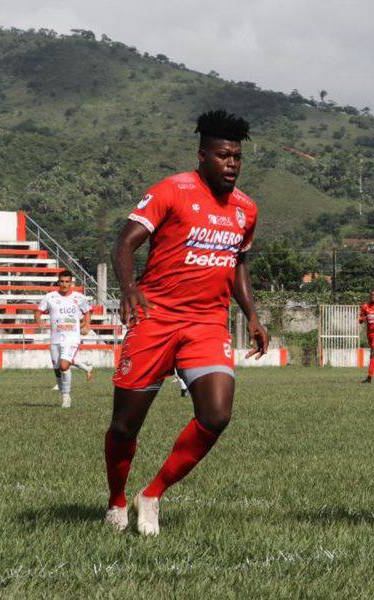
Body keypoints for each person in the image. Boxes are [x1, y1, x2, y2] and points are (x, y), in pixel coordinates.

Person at [104, 110, 268, 536]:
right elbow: (125, 242)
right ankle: (117, 500)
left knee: (216, 415)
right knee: (125, 425)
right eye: (223, 155)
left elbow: (238, 265)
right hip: (154, 318)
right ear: (202, 155)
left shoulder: (246, 209)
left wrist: (251, 313)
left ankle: (152, 493)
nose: (231, 163)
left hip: (207, 324)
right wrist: (128, 288)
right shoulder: (171, 191)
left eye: (237, 157)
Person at [33, 270, 94, 408]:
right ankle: (64, 392)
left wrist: (86, 325)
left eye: (67, 282)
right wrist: (39, 321)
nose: (65, 284)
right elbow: (38, 311)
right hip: (55, 338)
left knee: (64, 365)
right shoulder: (50, 297)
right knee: (57, 370)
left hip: (72, 338)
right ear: (58, 282)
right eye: (62, 281)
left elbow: (88, 311)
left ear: (71, 282)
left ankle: (66, 397)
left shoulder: (79, 297)